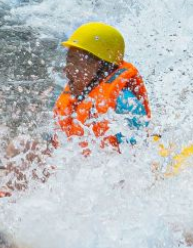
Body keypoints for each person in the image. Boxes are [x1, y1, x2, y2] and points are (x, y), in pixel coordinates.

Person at [54, 22, 151, 151]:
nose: (66, 70)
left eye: (74, 63)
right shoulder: (75, 101)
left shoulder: (123, 104)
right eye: (68, 62)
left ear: (99, 66)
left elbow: (144, 153)